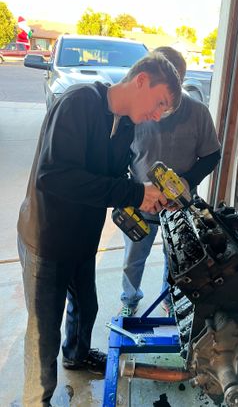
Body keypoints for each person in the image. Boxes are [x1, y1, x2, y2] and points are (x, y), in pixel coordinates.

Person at [17, 51, 182, 407]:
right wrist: (134, 193)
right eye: (160, 103)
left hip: (82, 236)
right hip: (47, 235)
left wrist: (145, 197)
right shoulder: (79, 103)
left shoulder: (126, 125)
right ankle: (35, 399)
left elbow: (111, 178)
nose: (157, 115)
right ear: (141, 81)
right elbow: (54, 176)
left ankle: (76, 356)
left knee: (85, 306)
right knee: (42, 330)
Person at [120, 47, 221, 317]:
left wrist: (186, 182)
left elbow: (213, 154)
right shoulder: (136, 111)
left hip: (179, 206)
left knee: (177, 258)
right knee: (133, 257)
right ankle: (129, 299)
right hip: (141, 201)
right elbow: (121, 155)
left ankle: (173, 299)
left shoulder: (198, 113)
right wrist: (130, 191)